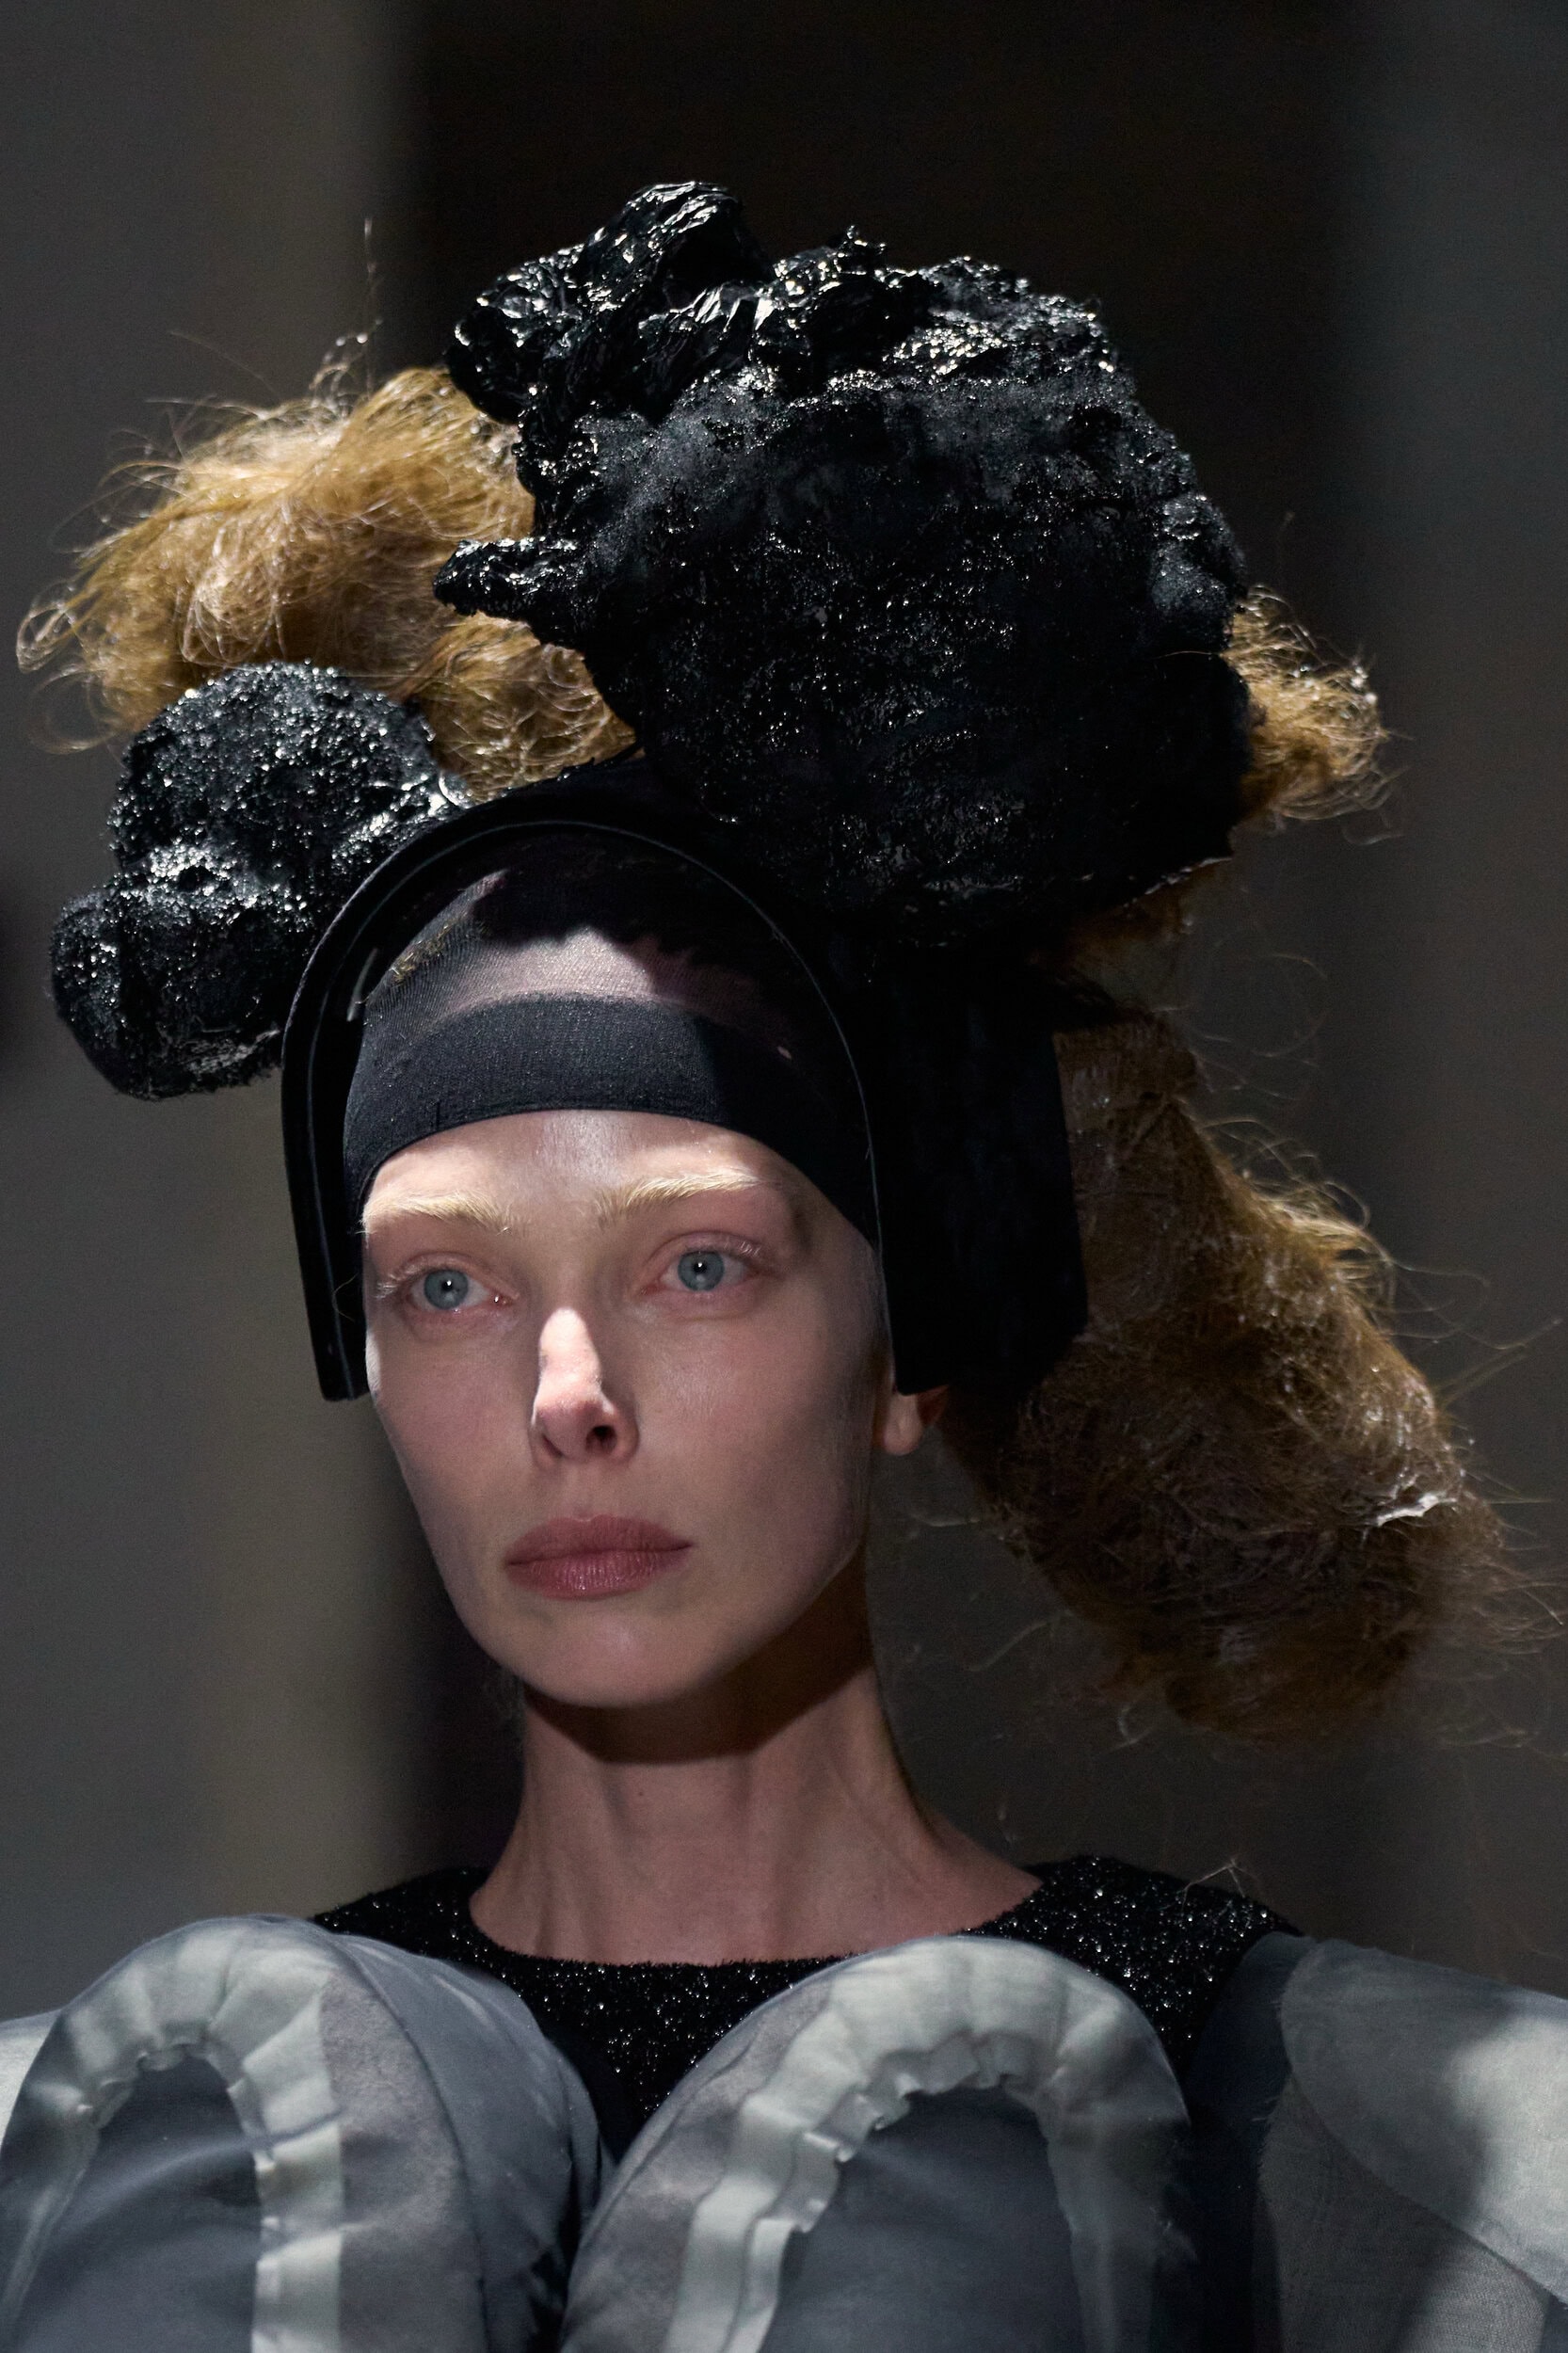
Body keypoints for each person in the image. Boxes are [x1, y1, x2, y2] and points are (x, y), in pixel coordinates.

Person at [1, 183, 1559, 2352]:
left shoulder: (1432, 2184)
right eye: (447, 1283)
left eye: (699, 1264)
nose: (566, 1388)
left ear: (908, 1335)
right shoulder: (107, 2171)